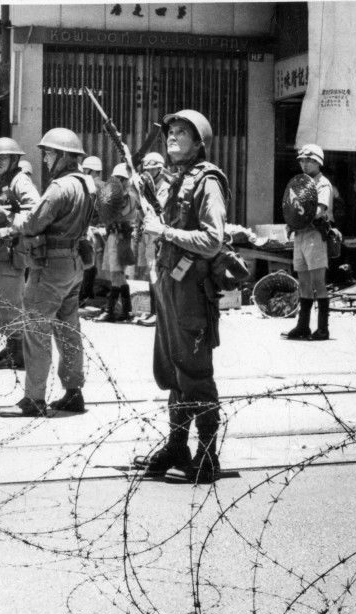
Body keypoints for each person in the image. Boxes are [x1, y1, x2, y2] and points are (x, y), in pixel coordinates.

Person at [132, 109, 227, 484]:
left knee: (195, 372)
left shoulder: (208, 182)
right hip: (169, 287)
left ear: (198, 141)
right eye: (170, 131)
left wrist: (165, 232)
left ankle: (207, 452)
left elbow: (212, 239)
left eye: (182, 132)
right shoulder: (173, 180)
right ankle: (177, 444)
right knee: (172, 368)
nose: (172, 136)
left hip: (191, 291)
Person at [0, 128, 94, 418]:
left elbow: (32, 223)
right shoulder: (87, 184)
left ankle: (34, 398)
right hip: (75, 263)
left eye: (49, 153)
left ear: (64, 156)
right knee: (68, 330)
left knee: (36, 329)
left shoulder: (59, 187)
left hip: (50, 267)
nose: (46, 158)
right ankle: (73, 392)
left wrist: (12, 220)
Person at [0, 137, 41, 369]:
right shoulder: (0, 182)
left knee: (10, 301)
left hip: (13, 249)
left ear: (14, 159)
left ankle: (20, 352)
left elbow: (34, 210)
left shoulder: (20, 181)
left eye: (2, 157)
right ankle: (12, 344)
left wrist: (10, 222)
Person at [282, 143, 335, 341]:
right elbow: (292, 206)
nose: (305, 164)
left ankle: (323, 328)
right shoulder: (300, 183)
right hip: (300, 235)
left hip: (314, 234)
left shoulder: (323, 184)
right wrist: (291, 223)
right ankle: (303, 326)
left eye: (309, 160)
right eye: (302, 160)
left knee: (318, 283)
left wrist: (298, 220)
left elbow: (320, 210)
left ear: (318, 162)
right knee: (303, 282)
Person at [94, 163, 140, 322]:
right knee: (118, 275)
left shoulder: (128, 197)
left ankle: (110, 310)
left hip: (121, 237)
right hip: (114, 236)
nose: (119, 182)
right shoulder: (121, 196)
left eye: (122, 179)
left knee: (116, 274)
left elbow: (117, 213)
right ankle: (126, 310)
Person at [132, 151, 170, 327]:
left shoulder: (165, 188)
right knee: (151, 274)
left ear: (160, 170)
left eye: (152, 170)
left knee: (157, 275)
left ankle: (160, 315)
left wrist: (144, 195)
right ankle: (154, 312)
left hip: (159, 237)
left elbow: (157, 211)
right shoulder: (149, 187)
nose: (148, 173)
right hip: (149, 235)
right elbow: (142, 213)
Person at [79, 156, 104, 308]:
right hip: (102, 229)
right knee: (93, 263)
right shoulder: (105, 185)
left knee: (85, 260)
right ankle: (89, 293)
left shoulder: (89, 185)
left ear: (89, 170)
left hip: (90, 227)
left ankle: (83, 295)